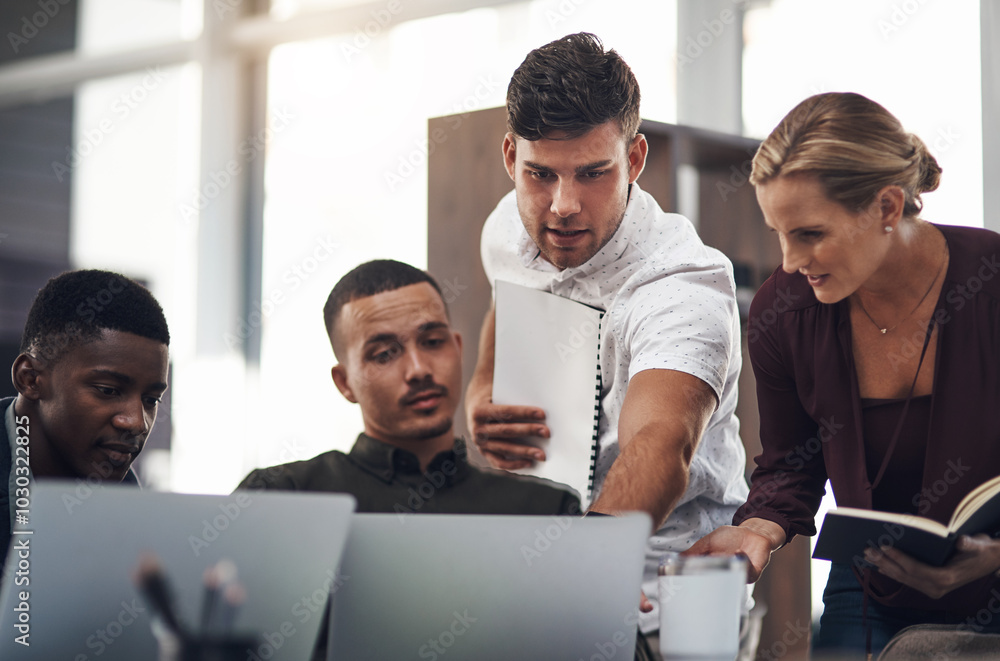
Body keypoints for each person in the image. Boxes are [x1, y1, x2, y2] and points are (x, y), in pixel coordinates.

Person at [686, 92, 1000, 656]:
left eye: (809, 234)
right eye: (778, 233)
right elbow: (791, 462)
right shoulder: (785, 311)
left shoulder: (992, 283)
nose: (787, 261)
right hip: (871, 581)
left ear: (885, 207)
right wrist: (759, 529)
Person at [464, 32, 749, 639]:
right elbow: (505, 292)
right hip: (539, 567)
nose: (562, 206)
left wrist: (580, 568)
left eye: (593, 173)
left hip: (670, 592)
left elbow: (660, 445)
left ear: (636, 159)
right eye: (541, 174)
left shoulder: (683, 284)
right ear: (511, 156)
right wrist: (480, 390)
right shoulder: (507, 227)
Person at [237, 259, 579, 516]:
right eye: (385, 354)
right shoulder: (282, 497)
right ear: (345, 383)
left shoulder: (541, 512)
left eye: (432, 342)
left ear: (458, 350)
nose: (418, 370)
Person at [2, 269, 170, 571]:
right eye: (108, 390)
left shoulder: (128, 505)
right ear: (30, 379)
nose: (136, 422)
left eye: (151, 400)